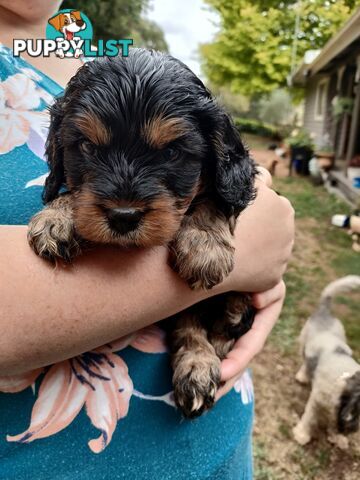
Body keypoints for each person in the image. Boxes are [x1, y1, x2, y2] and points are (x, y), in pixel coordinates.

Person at [0, 1, 294, 478]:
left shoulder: (81, 47)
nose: (123, 201)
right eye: (89, 149)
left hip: (216, 444)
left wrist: (225, 224)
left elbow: (238, 184)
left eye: (171, 150)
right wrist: (248, 254)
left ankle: (195, 337)